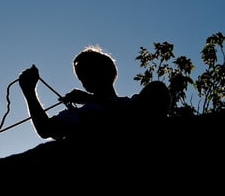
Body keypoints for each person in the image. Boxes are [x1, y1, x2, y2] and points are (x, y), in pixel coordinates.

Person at [19, 45, 170, 141]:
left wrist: (91, 99)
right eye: (82, 75)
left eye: (87, 72)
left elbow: (159, 95)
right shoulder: (78, 114)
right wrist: (29, 92)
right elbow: (46, 129)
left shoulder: (134, 104)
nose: (85, 78)